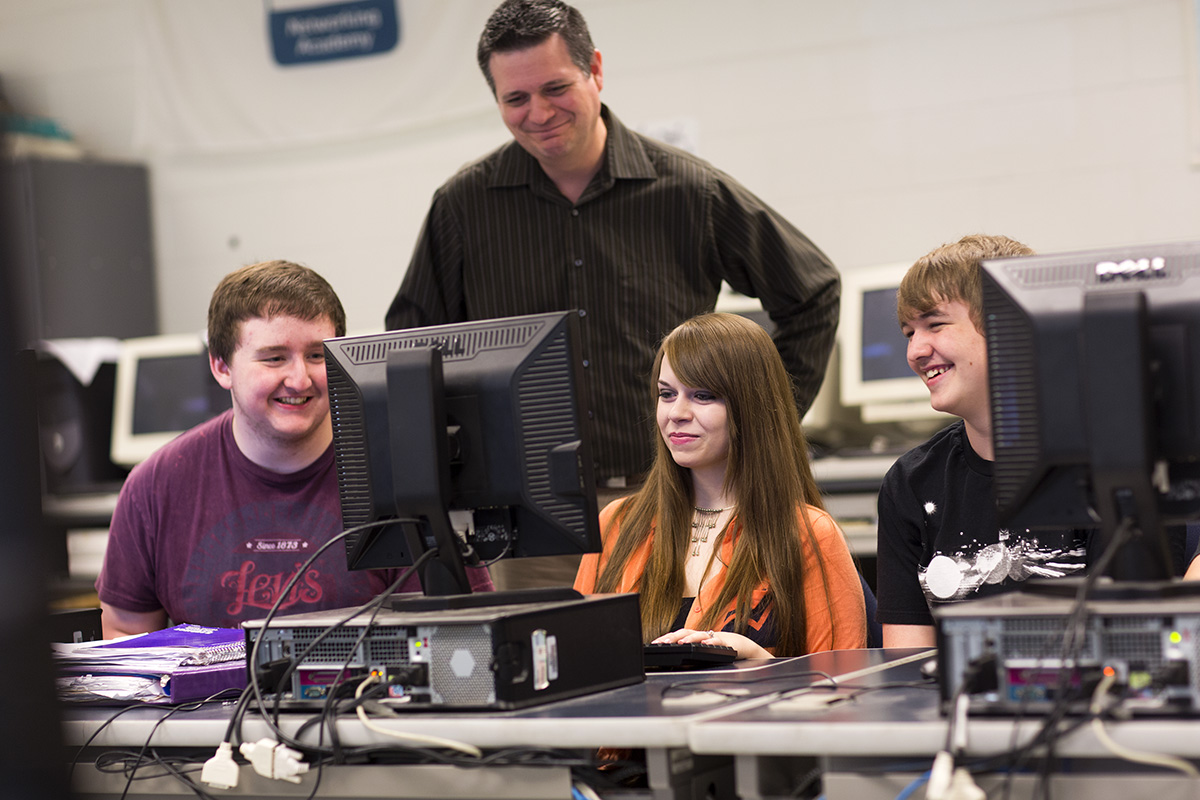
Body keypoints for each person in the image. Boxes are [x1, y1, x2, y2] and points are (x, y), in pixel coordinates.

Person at [385, 0, 840, 590]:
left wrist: (758, 424)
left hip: (672, 501)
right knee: (548, 679)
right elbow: (408, 352)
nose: (539, 113)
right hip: (531, 521)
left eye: (556, 88)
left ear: (595, 70)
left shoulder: (687, 191)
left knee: (686, 672)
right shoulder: (463, 207)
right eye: (515, 99)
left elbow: (813, 292)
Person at [95, 260, 492, 638]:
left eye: (318, 356)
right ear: (221, 367)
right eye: (274, 358)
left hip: (364, 705)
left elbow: (462, 629)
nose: (300, 379)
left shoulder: (402, 475)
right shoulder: (156, 484)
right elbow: (127, 633)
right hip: (206, 708)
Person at [573, 313, 865, 659]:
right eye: (666, 394)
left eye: (702, 395)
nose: (676, 413)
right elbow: (579, 664)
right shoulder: (617, 524)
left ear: (749, 407)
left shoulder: (808, 534)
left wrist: (763, 663)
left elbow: (842, 689)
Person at [874, 235, 1096, 648]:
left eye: (935, 324)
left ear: (1010, 325)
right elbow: (904, 670)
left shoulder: (1109, 463)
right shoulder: (909, 483)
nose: (916, 351)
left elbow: (1135, 643)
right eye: (909, 332)